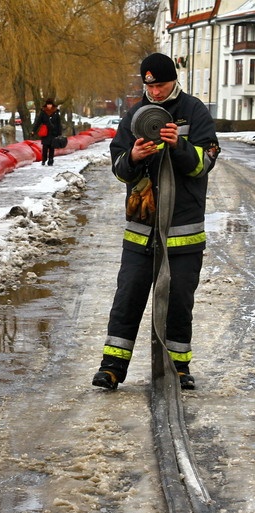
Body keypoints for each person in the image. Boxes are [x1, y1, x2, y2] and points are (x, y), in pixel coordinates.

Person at [92, 52, 220, 391]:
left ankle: (178, 368)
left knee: (178, 301)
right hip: (141, 230)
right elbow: (119, 168)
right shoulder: (134, 115)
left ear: (173, 80)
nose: (156, 93)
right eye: (150, 87)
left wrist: (178, 145)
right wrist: (133, 157)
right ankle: (112, 368)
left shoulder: (195, 112)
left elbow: (203, 165)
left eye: (161, 86)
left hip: (183, 233)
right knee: (128, 297)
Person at [32, 98, 62, 166]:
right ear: (46, 105)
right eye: (48, 104)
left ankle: (51, 160)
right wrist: (34, 130)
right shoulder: (43, 112)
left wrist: (59, 133)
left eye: (50, 104)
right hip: (45, 133)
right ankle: (44, 159)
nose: (49, 106)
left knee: (52, 147)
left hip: (53, 132)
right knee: (45, 147)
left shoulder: (56, 112)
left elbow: (58, 123)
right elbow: (38, 122)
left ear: (52, 105)